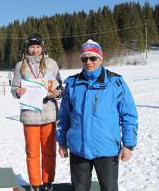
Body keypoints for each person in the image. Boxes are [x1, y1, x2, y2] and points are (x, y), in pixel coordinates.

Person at [56, 39, 138, 191]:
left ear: (101, 58)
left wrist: (128, 144)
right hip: (78, 149)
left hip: (106, 150)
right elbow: (64, 116)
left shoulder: (115, 83)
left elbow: (129, 115)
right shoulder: (73, 84)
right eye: (84, 58)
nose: (89, 62)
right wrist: (61, 142)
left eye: (93, 58)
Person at [11, 34, 62, 191]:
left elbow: (60, 89)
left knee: (49, 151)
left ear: (42, 48)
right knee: (32, 152)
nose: (35, 50)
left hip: (49, 114)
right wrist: (18, 91)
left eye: (38, 47)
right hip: (30, 115)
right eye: (32, 47)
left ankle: (48, 182)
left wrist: (55, 92)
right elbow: (14, 88)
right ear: (27, 48)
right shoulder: (21, 65)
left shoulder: (51, 64)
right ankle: (36, 184)